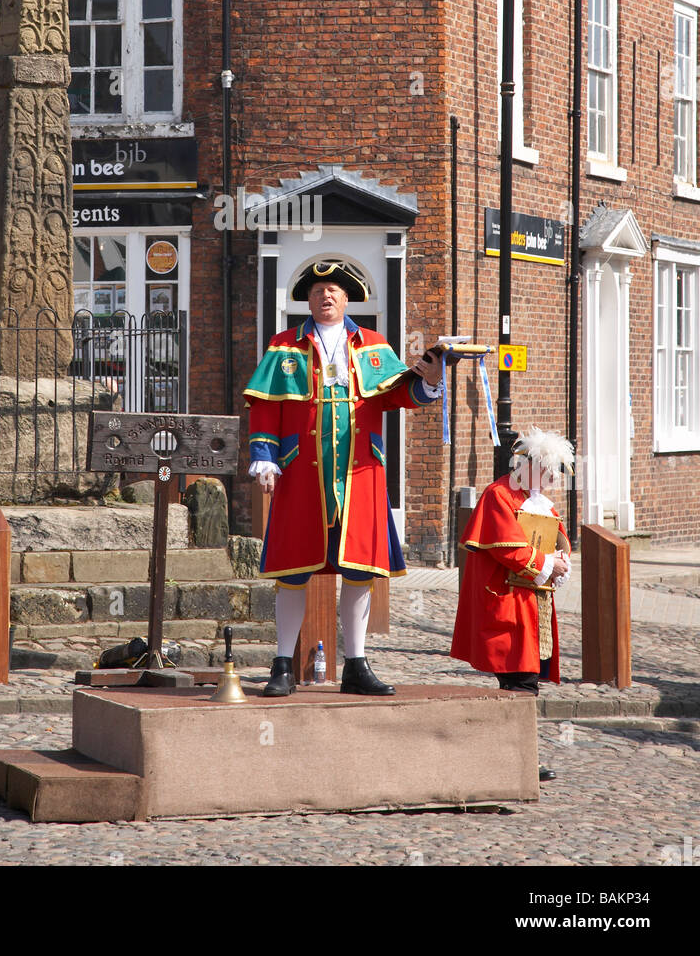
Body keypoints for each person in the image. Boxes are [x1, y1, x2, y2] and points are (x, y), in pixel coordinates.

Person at [244, 259, 443, 697]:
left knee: (360, 570)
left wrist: (428, 382)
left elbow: (396, 395)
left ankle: (356, 664)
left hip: (360, 475)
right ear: (308, 300)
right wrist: (264, 455)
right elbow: (265, 406)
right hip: (301, 474)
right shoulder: (285, 346)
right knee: (293, 570)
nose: (326, 296)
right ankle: (282, 665)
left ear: (348, 298)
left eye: (334, 290)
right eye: (317, 291)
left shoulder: (372, 344)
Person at [450, 427, 572, 780]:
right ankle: (515, 761)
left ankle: (515, 758)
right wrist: (548, 564)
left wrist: (562, 562)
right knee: (518, 682)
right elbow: (508, 547)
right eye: (547, 473)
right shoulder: (498, 495)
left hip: (532, 604)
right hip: (506, 603)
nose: (551, 482)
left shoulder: (539, 502)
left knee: (525, 682)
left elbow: (556, 541)